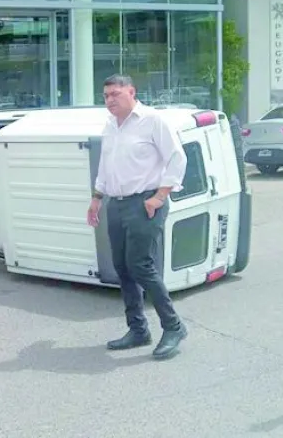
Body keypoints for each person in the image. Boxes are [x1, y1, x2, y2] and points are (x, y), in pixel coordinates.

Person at [86, 75, 189, 361]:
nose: (109, 100)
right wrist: (96, 199)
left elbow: (177, 158)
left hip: (145, 204)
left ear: (132, 92)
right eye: (105, 95)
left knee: (141, 266)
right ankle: (138, 329)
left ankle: (174, 326)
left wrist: (159, 197)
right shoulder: (109, 126)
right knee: (122, 267)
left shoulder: (153, 121)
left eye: (115, 94)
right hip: (116, 205)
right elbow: (106, 167)